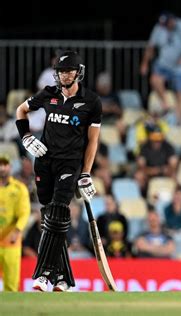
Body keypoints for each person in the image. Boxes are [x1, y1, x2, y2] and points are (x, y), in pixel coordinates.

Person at [15, 50, 102, 292]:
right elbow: (20, 111)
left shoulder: (91, 101)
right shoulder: (48, 94)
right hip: (44, 161)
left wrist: (85, 173)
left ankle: (44, 273)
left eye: (69, 71)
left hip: (70, 164)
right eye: (61, 71)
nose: (64, 76)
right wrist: (26, 138)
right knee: (51, 219)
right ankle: (64, 278)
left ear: (78, 72)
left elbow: (93, 141)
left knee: (57, 211)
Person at [140, 11, 181, 125]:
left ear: (172, 20)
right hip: (165, 64)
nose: (165, 26)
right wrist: (145, 63)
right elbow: (150, 46)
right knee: (154, 79)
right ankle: (166, 104)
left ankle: (180, 122)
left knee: (180, 95)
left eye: (167, 23)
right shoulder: (159, 27)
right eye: (163, 24)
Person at [0, 155, 31, 291]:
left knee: (11, 286)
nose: (2, 168)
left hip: (10, 242)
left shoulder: (19, 189)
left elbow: (24, 213)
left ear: (10, 167)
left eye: (5, 164)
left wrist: (17, 230)